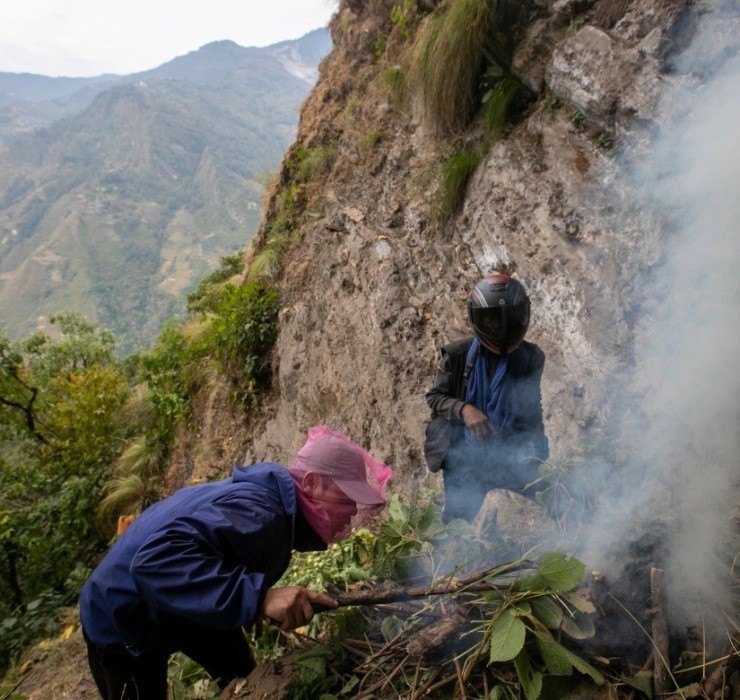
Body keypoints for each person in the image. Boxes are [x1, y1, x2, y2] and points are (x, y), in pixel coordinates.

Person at [79, 425, 393, 699]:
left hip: (184, 606)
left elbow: (215, 550)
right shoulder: (262, 511)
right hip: (122, 616)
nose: (352, 512)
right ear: (311, 483)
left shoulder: (278, 513)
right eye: (347, 498)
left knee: (244, 678)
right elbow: (155, 560)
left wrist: (247, 601)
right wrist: (259, 598)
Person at [424, 273, 548, 522]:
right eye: (492, 320)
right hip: (465, 458)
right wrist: (465, 409)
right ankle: (454, 560)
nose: (500, 328)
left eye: (509, 319)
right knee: (456, 526)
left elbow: (531, 407)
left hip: (509, 451)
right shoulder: (456, 355)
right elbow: (435, 397)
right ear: (477, 319)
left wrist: (539, 453)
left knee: (555, 496)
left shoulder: (531, 357)